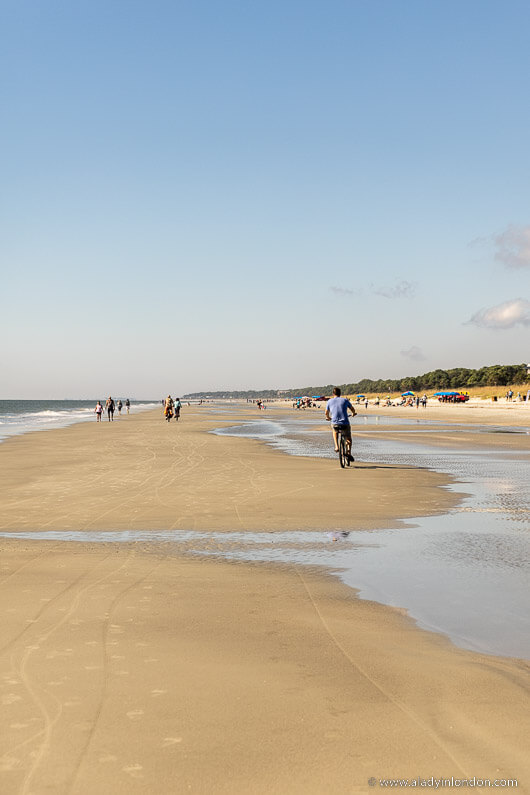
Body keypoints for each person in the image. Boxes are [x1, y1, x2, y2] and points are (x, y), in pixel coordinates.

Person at [325, 387, 356, 462]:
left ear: (333, 394)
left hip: (335, 422)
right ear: (340, 393)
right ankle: (348, 452)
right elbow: (352, 408)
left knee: (334, 431)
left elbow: (326, 412)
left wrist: (328, 417)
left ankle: (336, 446)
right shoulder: (345, 400)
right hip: (344, 423)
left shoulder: (329, 401)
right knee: (348, 438)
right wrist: (353, 413)